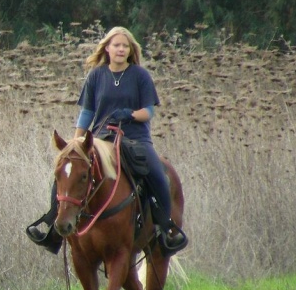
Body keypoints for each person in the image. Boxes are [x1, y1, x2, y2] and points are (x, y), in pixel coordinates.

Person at [26, 26, 187, 256]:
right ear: (107, 49)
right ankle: (53, 228)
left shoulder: (140, 76)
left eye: (125, 45)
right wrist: (76, 141)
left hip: (135, 138)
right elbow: (87, 113)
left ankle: (165, 228)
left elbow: (148, 112)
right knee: (66, 170)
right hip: (101, 139)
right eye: (117, 45)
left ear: (130, 50)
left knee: (158, 173)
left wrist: (129, 114)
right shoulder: (96, 76)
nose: (121, 49)